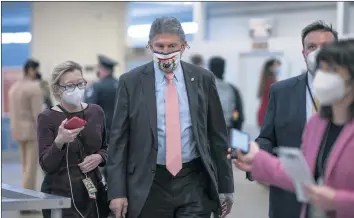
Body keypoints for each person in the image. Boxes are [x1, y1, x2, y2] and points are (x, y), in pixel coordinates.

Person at [107, 16, 234, 218]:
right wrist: (116, 192)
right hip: (149, 181)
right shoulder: (130, 82)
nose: (165, 52)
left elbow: (217, 134)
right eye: (159, 46)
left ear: (184, 46)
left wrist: (226, 186)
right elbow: (118, 141)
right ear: (150, 46)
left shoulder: (203, 78)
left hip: (193, 179)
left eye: (172, 45)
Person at [231, 39, 354, 218]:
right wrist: (257, 159)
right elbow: (301, 177)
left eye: (333, 71)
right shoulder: (317, 125)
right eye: (323, 70)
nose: (324, 77)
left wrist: (338, 200)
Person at [246, 20, 338, 218]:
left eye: (326, 47)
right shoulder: (281, 91)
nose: (318, 52)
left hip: (338, 194)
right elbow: (267, 138)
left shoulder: (349, 93)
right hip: (289, 193)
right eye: (312, 47)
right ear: (304, 53)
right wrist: (255, 158)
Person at [37, 61, 108, 218]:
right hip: (60, 196)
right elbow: (45, 164)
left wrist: (100, 157)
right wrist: (59, 142)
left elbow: (107, 148)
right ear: (57, 89)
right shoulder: (47, 118)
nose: (76, 89)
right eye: (69, 86)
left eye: (80, 83)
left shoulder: (96, 112)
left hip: (94, 193)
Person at [8, 59, 43, 196]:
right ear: (31, 70)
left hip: (17, 130)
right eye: (36, 70)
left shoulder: (14, 87)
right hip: (30, 131)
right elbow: (37, 114)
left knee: (24, 166)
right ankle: (27, 197)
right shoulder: (33, 88)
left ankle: (24, 193)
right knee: (31, 168)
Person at [85, 54, 119, 139]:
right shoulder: (121, 85)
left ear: (102, 69)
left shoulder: (97, 86)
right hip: (120, 132)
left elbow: (89, 108)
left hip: (103, 132)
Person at [209, 56, 245, 131]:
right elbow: (237, 111)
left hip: (208, 131)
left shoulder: (202, 88)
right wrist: (235, 125)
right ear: (223, 69)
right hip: (227, 129)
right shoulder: (232, 89)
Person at [257, 59, 280, 128]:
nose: (277, 68)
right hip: (268, 116)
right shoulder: (272, 82)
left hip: (262, 114)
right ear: (270, 68)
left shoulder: (264, 80)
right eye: (275, 66)